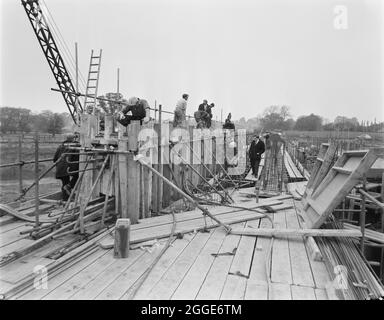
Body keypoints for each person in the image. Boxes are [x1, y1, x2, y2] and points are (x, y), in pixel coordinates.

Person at [53, 134, 80, 201]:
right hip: (68, 168)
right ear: (73, 139)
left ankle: (65, 199)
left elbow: (54, 159)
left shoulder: (61, 146)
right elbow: (77, 157)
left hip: (60, 168)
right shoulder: (75, 146)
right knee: (77, 176)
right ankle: (69, 188)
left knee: (64, 183)